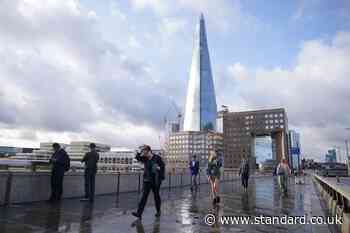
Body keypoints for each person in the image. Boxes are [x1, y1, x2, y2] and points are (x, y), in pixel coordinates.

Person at [132, 145, 165, 219]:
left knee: (156, 196)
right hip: (147, 180)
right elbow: (138, 157)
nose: (143, 153)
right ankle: (139, 213)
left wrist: (159, 168)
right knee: (144, 197)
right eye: (143, 152)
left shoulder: (157, 158)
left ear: (148, 151)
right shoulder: (145, 158)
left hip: (155, 181)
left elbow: (163, 166)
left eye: (144, 151)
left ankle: (158, 211)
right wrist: (137, 153)